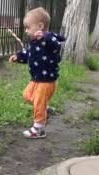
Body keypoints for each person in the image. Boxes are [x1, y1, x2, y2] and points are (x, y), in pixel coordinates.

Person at [9, 7, 66, 139]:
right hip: (36, 78)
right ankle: (44, 109)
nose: (26, 30)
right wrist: (18, 57)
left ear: (40, 26)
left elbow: (57, 45)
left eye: (28, 27)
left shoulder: (50, 39)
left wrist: (45, 36)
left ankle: (39, 128)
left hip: (46, 81)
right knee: (27, 95)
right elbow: (30, 54)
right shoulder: (35, 42)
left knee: (38, 102)